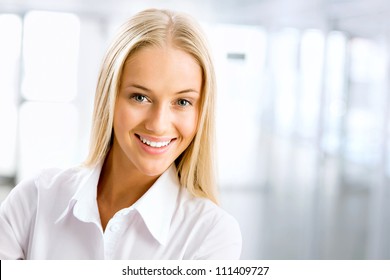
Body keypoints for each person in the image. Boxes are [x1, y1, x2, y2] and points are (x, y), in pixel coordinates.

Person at [0, 8, 242, 259]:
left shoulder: (211, 235)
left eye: (182, 102)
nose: (158, 124)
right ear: (109, 97)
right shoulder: (36, 199)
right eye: (140, 97)